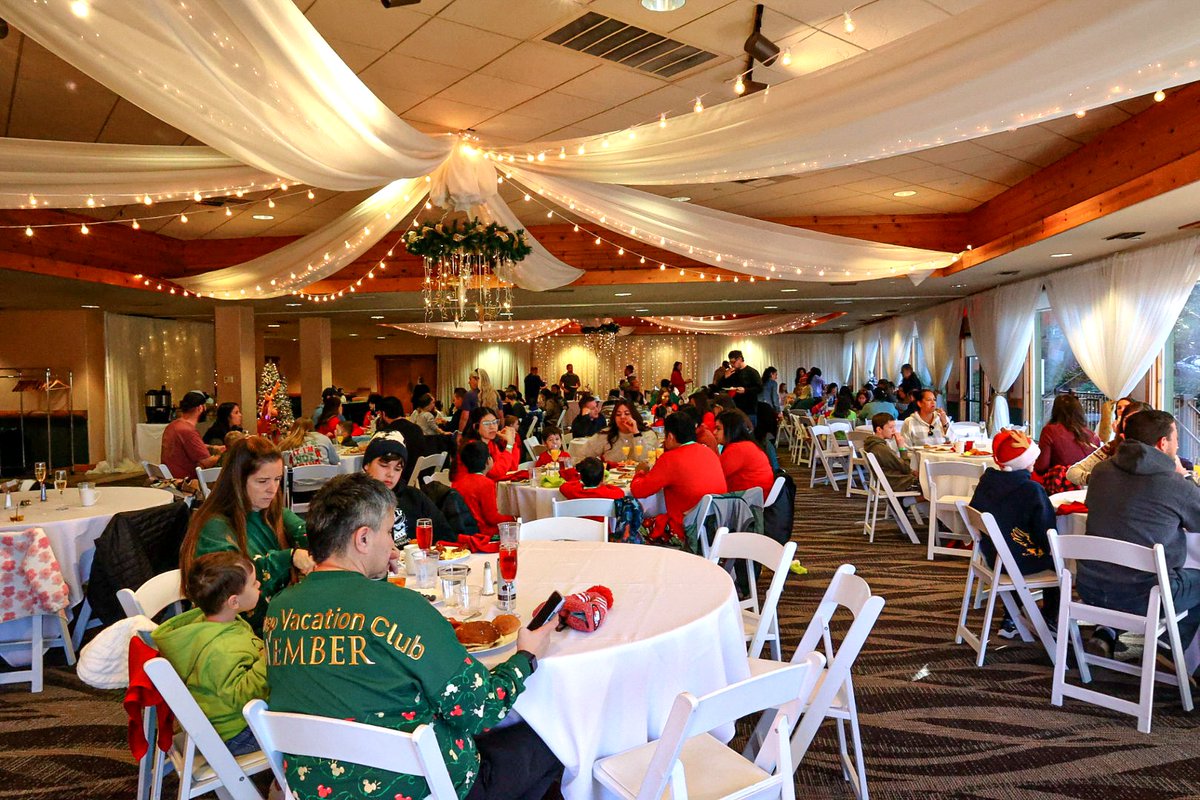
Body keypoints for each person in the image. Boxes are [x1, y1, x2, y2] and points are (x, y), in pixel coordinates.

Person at [263, 473, 559, 800]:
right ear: (362, 539)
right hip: (425, 788)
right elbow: (481, 708)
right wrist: (525, 657)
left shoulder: (278, 610)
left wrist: (373, 582)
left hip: (317, 788)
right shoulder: (402, 607)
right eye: (389, 532)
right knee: (553, 737)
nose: (392, 546)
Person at [1078, 410, 1200, 660]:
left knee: (1124, 566)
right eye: (1175, 438)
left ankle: (1109, 631)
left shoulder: (1100, 472)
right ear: (1162, 443)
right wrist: (1185, 477)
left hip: (1091, 587)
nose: (1178, 444)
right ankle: (1167, 648)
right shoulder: (1175, 485)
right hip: (1145, 596)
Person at [179, 436, 312, 631]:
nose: (273, 489)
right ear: (238, 481)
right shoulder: (214, 525)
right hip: (238, 630)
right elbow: (233, 581)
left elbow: (305, 531)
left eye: (277, 480)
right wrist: (289, 557)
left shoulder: (267, 510)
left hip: (274, 617)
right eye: (262, 481)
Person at [151, 551, 267, 756]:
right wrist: (269, 657)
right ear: (233, 602)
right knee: (305, 722)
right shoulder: (219, 649)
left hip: (228, 724)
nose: (258, 586)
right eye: (253, 583)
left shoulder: (213, 625)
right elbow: (240, 695)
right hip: (236, 733)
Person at [968, 429, 1059, 637]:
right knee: (1059, 563)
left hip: (993, 555)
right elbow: (1047, 530)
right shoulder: (1031, 490)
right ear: (1023, 461)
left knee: (1014, 547)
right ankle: (1049, 618)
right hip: (1018, 561)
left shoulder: (986, 482)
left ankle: (1012, 615)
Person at [630, 412, 727, 543]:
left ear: (670, 436)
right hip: (714, 527)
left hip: (685, 530)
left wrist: (640, 472)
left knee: (632, 524)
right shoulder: (708, 452)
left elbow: (639, 491)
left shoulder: (671, 459)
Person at [360, 430, 451, 547]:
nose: (391, 474)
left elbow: (446, 536)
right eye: (384, 465)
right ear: (367, 465)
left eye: (397, 469)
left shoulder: (414, 497)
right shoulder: (354, 502)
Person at [1066, 400, 1149, 486]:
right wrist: (1099, 479)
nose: (1132, 425)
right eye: (1127, 420)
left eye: (1137, 420)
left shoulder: (1155, 449)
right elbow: (1072, 472)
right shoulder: (1111, 447)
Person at [453, 441, 516, 537]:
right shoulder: (486, 483)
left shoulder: (457, 482)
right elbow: (492, 518)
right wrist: (513, 518)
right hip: (482, 531)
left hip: (462, 529)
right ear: (488, 461)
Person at [161, 390, 222, 481]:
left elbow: (189, 447)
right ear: (200, 408)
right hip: (185, 481)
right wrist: (223, 455)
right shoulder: (188, 431)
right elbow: (207, 462)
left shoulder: (173, 425)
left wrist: (213, 447)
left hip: (170, 478)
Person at [1035, 394, 1102, 474]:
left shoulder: (1049, 431)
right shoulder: (1094, 436)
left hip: (1062, 484)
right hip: (1088, 484)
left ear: (1055, 411)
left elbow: (1041, 467)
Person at [582, 398, 658, 465]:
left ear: (634, 416)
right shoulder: (606, 434)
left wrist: (636, 433)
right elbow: (584, 455)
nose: (622, 417)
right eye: (618, 414)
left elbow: (646, 459)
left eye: (627, 414)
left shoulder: (648, 434)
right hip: (612, 478)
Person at [715, 410, 773, 496]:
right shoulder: (748, 444)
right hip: (759, 495)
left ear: (731, 429)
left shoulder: (737, 449)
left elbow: (716, 475)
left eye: (718, 429)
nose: (714, 432)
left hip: (749, 499)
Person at [456, 407, 521, 481]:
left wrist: (511, 441)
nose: (492, 427)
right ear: (476, 427)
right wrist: (509, 445)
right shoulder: (473, 446)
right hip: (470, 488)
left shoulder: (490, 443)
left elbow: (512, 467)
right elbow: (495, 472)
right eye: (487, 423)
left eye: (494, 422)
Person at [376, 396, 429, 485]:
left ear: (383, 414)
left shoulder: (386, 433)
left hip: (397, 479)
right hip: (416, 477)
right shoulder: (416, 429)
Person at [864, 413, 919, 493]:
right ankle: (907, 501)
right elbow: (906, 468)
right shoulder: (881, 448)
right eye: (890, 427)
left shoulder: (872, 444)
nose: (894, 430)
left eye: (894, 427)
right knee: (931, 484)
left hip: (891, 481)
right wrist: (902, 448)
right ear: (879, 429)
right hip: (900, 483)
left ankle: (907, 502)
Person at [559, 456, 624, 507]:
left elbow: (563, 486)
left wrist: (579, 481)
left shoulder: (574, 491)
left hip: (577, 523)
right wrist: (605, 485)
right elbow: (621, 493)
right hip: (602, 524)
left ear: (581, 476)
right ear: (602, 477)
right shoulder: (607, 493)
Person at [718, 350, 763, 423]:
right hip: (734, 409)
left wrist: (745, 390)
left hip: (749, 410)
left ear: (740, 359)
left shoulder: (752, 372)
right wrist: (725, 377)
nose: (732, 365)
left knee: (748, 432)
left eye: (733, 362)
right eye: (730, 362)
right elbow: (720, 387)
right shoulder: (732, 373)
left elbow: (760, 388)